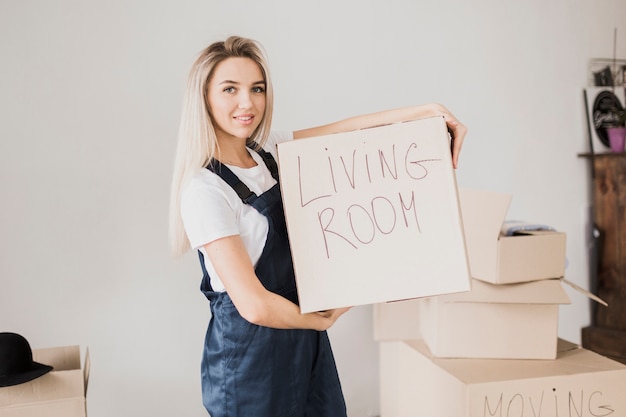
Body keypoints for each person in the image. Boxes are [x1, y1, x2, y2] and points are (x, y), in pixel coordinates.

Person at [169, 35, 467, 417]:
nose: (248, 103)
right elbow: (254, 305)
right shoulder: (204, 189)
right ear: (205, 98)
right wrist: (319, 319)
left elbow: (349, 131)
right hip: (249, 361)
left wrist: (425, 113)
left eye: (257, 89)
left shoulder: (268, 154)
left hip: (304, 344)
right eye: (230, 89)